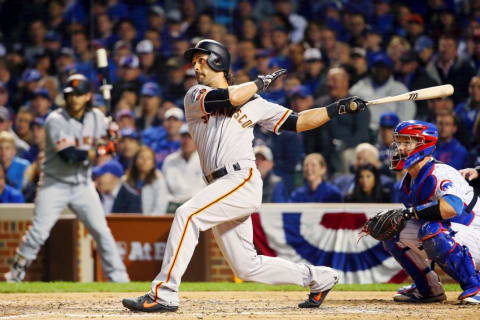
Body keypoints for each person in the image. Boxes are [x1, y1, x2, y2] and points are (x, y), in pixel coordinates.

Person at [122, 39, 367, 312]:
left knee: (187, 215)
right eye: (194, 61)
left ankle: (164, 293)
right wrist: (259, 83)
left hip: (241, 179)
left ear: (218, 62)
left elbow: (298, 121)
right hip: (218, 184)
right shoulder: (195, 94)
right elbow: (230, 97)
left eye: (201, 60)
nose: (195, 65)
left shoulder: (255, 102)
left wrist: (337, 109)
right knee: (246, 266)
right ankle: (319, 278)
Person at [4, 74, 129, 283]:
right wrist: (100, 149)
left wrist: (113, 137)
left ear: (88, 96)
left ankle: (120, 279)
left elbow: (113, 148)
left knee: (102, 232)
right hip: (54, 183)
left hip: (82, 184)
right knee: (39, 232)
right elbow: (70, 155)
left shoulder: (98, 118)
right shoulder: (55, 120)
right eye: (71, 95)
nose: (74, 99)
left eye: (79, 95)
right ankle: (14, 275)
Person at [383, 120, 480, 304]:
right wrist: (405, 216)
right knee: (392, 229)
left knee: (432, 230)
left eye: (407, 142)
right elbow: (416, 216)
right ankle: (428, 289)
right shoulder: (408, 179)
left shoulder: (440, 173)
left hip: (476, 232)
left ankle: (476, 285)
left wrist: (409, 213)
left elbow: (450, 208)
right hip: (462, 236)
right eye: (399, 142)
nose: (400, 148)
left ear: (424, 144)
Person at [162, 124, 204, 212]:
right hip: (173, 206)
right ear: (179, 139)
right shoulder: (169, 160)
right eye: (184, 137)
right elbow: (164, 190)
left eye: (190, 137)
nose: (186, 141)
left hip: (197, 206)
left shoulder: (204, 160)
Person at [124, 145, 169, 215]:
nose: (144, 161)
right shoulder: (125, 180)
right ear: (135, 160)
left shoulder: (159, 179)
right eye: (141, 157)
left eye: (148, 158)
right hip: (128, 221)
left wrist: (147, 222)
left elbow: (160, 207)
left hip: (151, 221)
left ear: (153, 163)